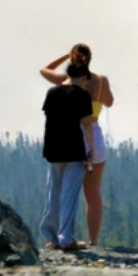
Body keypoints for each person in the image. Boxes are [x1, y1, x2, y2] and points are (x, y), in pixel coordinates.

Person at [40, 43, 114, 246]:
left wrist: (64, 55)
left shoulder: (59, 83)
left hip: (60, 137)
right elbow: (109, 102)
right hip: (92, 133)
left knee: (56, 190)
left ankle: (52, 235)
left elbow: (43, 69)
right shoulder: (100, 81)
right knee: (92, 193)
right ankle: (93, 240)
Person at [40, 61, 96, 251]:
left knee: (53, 194)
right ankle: (66, 238)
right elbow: (87, 124)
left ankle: (51, 237)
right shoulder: (82, 95)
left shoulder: (52, 92)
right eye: (86, 81)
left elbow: (48, 119)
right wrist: (91, 150)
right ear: (83, 78)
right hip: (73, 149)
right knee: (69, 195)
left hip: (53, 148)